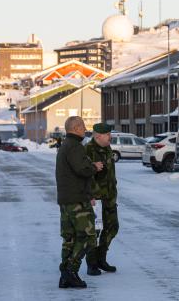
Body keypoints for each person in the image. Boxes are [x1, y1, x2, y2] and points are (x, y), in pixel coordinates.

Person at [55, 116, 104, 289]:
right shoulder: (75, 146)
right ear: (75, 128)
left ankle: (66, 275)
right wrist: (94, 167)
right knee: (87, 237)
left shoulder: (65, 145)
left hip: (67, 199)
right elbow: (82, 168)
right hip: (77, 200)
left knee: (70, 238)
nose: (85, 129)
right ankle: (70, 271)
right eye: (83, 127)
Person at [85, 123, 118, 276]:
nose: (110, 136)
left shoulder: (107, 148)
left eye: (109, 134)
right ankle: (91, 264)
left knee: (112, 227)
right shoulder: (88, 150)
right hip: (96, 199)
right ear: (97, 135)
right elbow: (86, 176)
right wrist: (91, 195)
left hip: (109, 197)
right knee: (94, 232)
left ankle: (101, 258)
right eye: (107, 134)